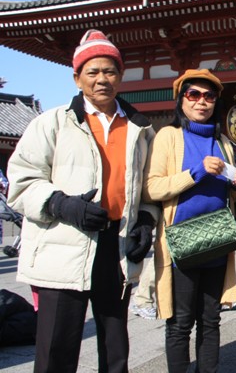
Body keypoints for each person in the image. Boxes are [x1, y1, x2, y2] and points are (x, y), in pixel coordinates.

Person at [7, 29, 159, 373]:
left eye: (109, 71)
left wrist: (145, 220)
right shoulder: (52, 123)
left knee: (115, 347)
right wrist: (60, 204)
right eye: (92, 72)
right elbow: (21, 180)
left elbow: (148, 188)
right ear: (77, 78)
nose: (102, 79)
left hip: (116, 244)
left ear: (121, 76)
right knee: (56, 348)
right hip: (64, 243)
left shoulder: (140, 128)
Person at [143, 69, 236, 373]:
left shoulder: (223, 142)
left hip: (217, 239)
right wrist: (196, 172)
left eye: (209, 96)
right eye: (194, 94)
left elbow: (231, 197)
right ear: (181, 99)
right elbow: (152, 188)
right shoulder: (168, 136)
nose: (202, 101)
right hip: (181, 243)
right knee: (180, 323)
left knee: (211, 320)